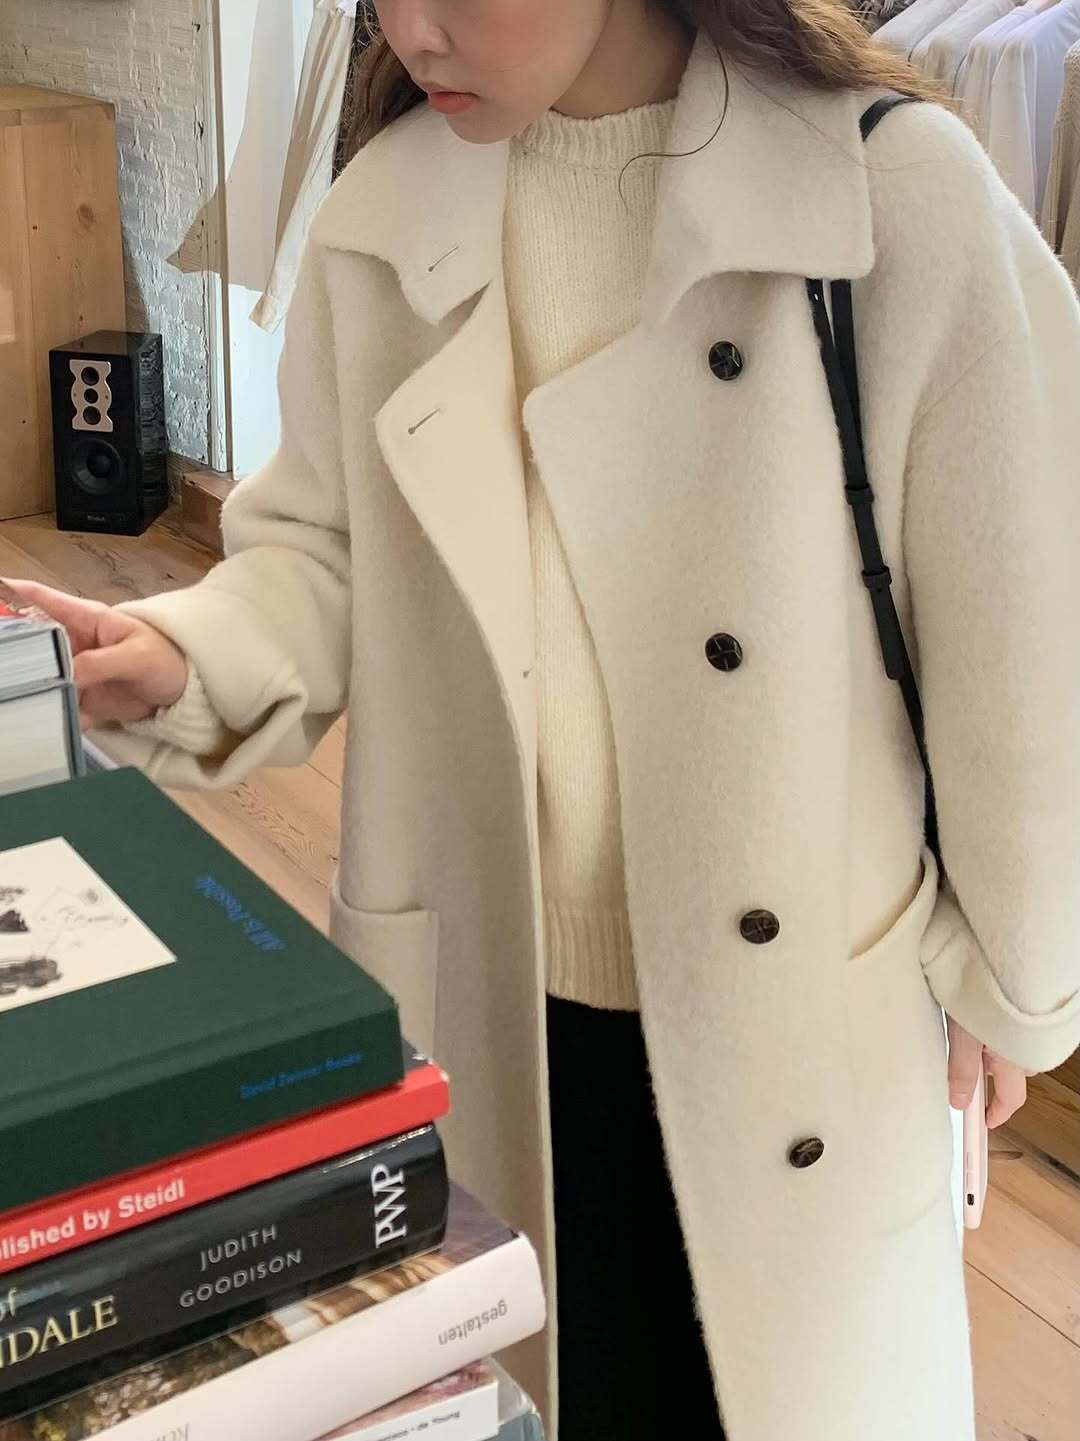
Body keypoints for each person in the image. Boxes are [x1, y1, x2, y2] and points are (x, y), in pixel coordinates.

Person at [7, 3, 1080, 1439]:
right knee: (528, 1392)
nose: (412, 28)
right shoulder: (383, 214)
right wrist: (180, 650)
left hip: (800, 1026)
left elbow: (1028, 621)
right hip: (486, 994)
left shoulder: (893, 197)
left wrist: (1014, 972)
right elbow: (322, 551)